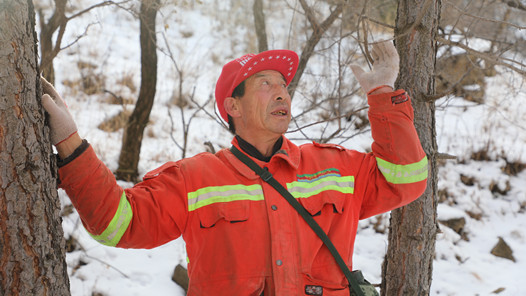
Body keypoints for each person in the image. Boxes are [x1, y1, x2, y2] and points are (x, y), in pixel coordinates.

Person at [42, 40, 428, 296]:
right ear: (233, 106)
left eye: (284, 85)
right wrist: (72, 145)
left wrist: (381, 95)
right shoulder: (195, 179)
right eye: (265, 83)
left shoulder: (335, 168)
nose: (282, 92)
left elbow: (405, 180)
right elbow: (118, 224)